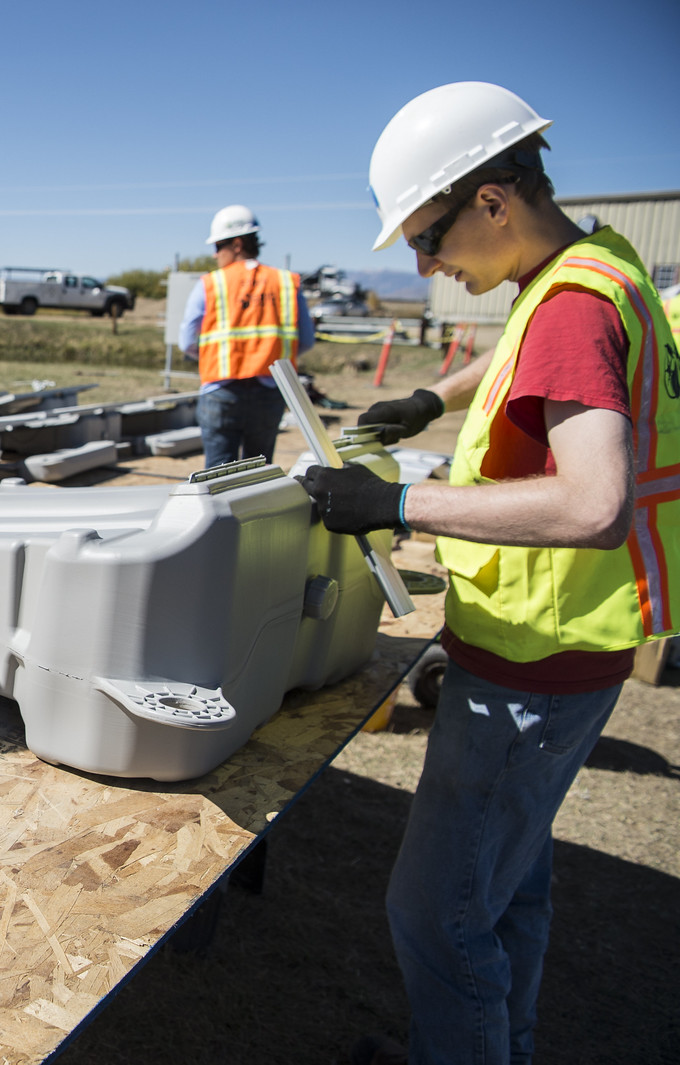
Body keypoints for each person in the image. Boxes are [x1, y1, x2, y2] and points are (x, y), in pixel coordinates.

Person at [298, 82, 679, 1065]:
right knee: (508, 891)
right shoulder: (598, 267)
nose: (424, 263)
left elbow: (592, 504)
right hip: (576, 654)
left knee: (434, 917)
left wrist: (395, 505)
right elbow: (527, 346)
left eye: (427, 238)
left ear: (493, 203)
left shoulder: (567, 312)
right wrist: (430, 394)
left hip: (529, 668)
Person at [177, 205, 315, 467]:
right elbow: (305, 340)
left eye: (218, 246)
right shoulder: (286, 282)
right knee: (257, 480)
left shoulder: (211, 283)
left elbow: (187, 341)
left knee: (217, 480)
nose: (215, 254)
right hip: (270, 393)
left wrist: (213, 356)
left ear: (237, 244)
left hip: (221, 391)